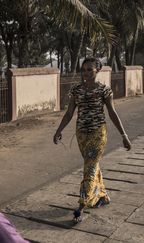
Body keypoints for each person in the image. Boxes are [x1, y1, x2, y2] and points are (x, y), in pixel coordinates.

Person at [53, 57, 132, 223]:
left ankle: (81, 206)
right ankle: (102, 196)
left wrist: (124, 135)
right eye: (84, 69)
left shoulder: (104, 90)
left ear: (97, 70)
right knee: (92, 165)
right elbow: (69, 113)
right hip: (81, 133)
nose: (86, 73)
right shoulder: (76, 90)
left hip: (98, 133)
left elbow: (112, 113)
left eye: (90, 69)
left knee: (89, 168)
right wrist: (58, 130)